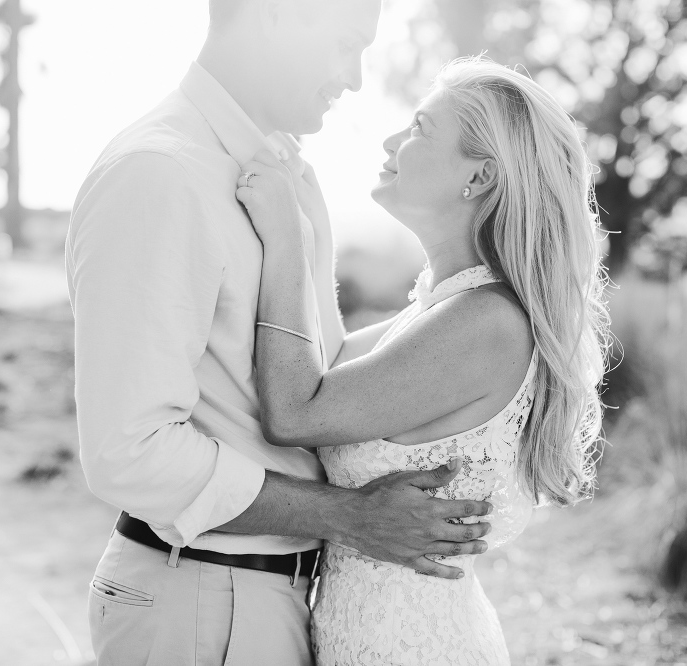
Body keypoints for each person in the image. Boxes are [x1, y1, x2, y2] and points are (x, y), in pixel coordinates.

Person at [65, 3, 495, 664]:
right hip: (203, 603)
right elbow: (129, 451)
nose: (353, 78)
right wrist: (349, 516)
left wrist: (470, 318)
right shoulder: (161, 173)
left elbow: (316, 376)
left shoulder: (288, 173)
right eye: (346, 44)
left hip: (268, 600)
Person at [235, 55, 611, 665]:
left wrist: (286, 243)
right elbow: (318, 362)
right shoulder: (439, 309)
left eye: (418, 129)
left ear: (480, 176)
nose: (391, 141)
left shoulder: (485, 323)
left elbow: (295, 411)